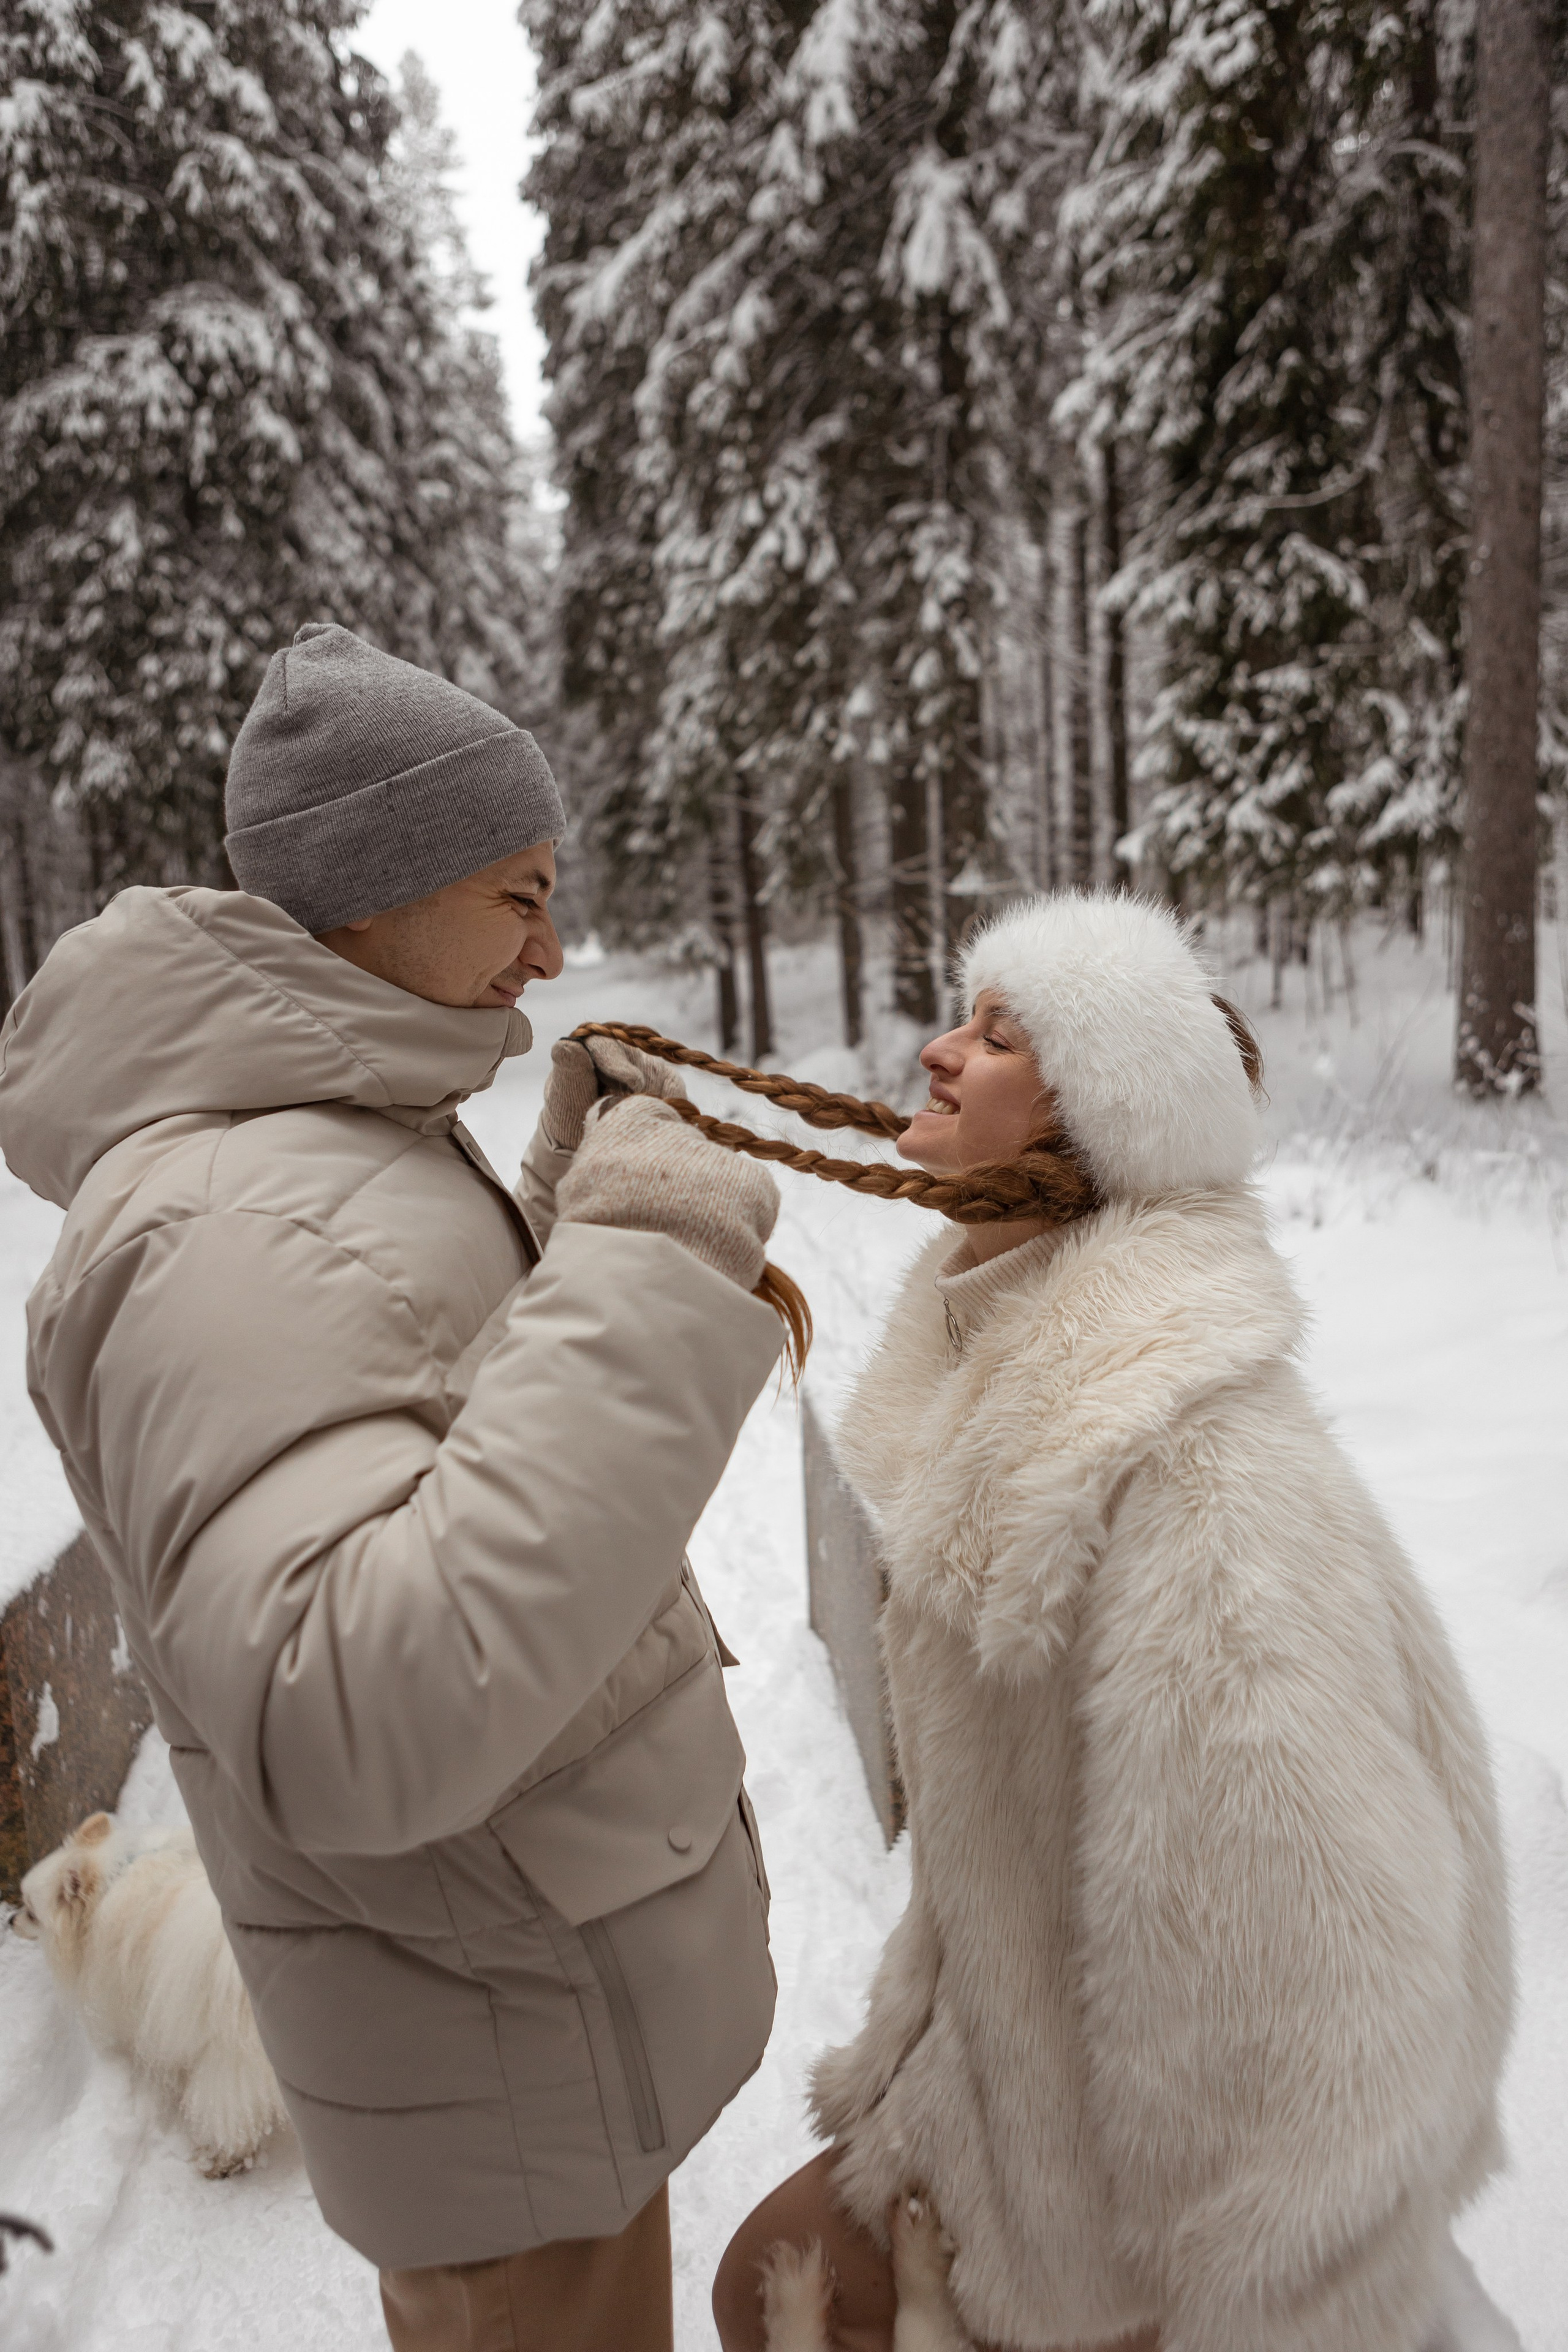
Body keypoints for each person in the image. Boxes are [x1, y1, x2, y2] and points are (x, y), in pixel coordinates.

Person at [0, 622, 790, 2352]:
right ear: (383, 887)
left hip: (515, 2015)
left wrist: (570, 1203)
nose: (556, 945)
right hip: (496, 2043)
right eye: (518, 894)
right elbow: (349, 1701)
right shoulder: (212, 1219)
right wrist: (650, 1269)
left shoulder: (313, 1124)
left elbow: (410, 1405)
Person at [715, 894, 1513, 2352]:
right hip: (1009, 2104)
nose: (939, 1051)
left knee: (768, 2294)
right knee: (760, 2291)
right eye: (963, 1017)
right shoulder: (1036, 1384)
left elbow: (1325, 1964)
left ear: (1096, 1115)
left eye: (997, 1034)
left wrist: (1259, 2300)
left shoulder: (1191, 1475)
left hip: (1122, 2217)